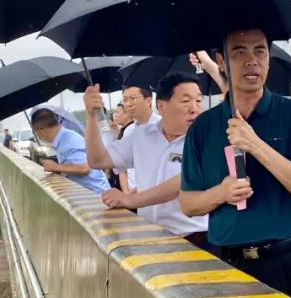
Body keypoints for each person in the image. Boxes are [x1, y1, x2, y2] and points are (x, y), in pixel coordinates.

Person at [179, 27, 291, 298]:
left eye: (260, 51)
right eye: (239, 52)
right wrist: (221, 193)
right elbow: (188, 204)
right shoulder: (203, 127)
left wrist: (255, 144)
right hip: (228, 263)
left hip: (289, 259)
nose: (252, 60)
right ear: (221, 62)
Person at [83, 73, 211, 249]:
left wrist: (130, 200)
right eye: (186, 101)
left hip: (196, 240)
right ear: (162, 106)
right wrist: (91, 115)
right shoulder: (141, 136)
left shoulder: (206, 140)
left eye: (198, 101)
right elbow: (98, 160)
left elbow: (182, 183)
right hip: (151, 237)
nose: (195, 109)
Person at [30, 108, 110, 194]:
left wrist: (55, 167)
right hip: (89, 193)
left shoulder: (68, 141)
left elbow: (84, 168)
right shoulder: (62, 139)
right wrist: (59, 169)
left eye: (36, 132)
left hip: (97, 194)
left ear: (41, 131)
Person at [119, 85, 160, 192]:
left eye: (133, 99)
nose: (128, 104)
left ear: (148, 101)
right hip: (132, 197)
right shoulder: (128, 131)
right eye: (125, 100)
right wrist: (126, 194)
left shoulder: (162, 128)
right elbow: (122, 168)